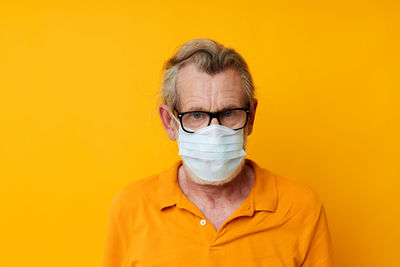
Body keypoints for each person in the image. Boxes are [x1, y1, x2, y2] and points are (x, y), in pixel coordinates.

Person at [102, 39, 335, 267]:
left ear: (251, 117)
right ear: (170, 123)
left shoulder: (300, 207)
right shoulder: (132, 207)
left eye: (229, 113)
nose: (214, 131)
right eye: (196, 115)